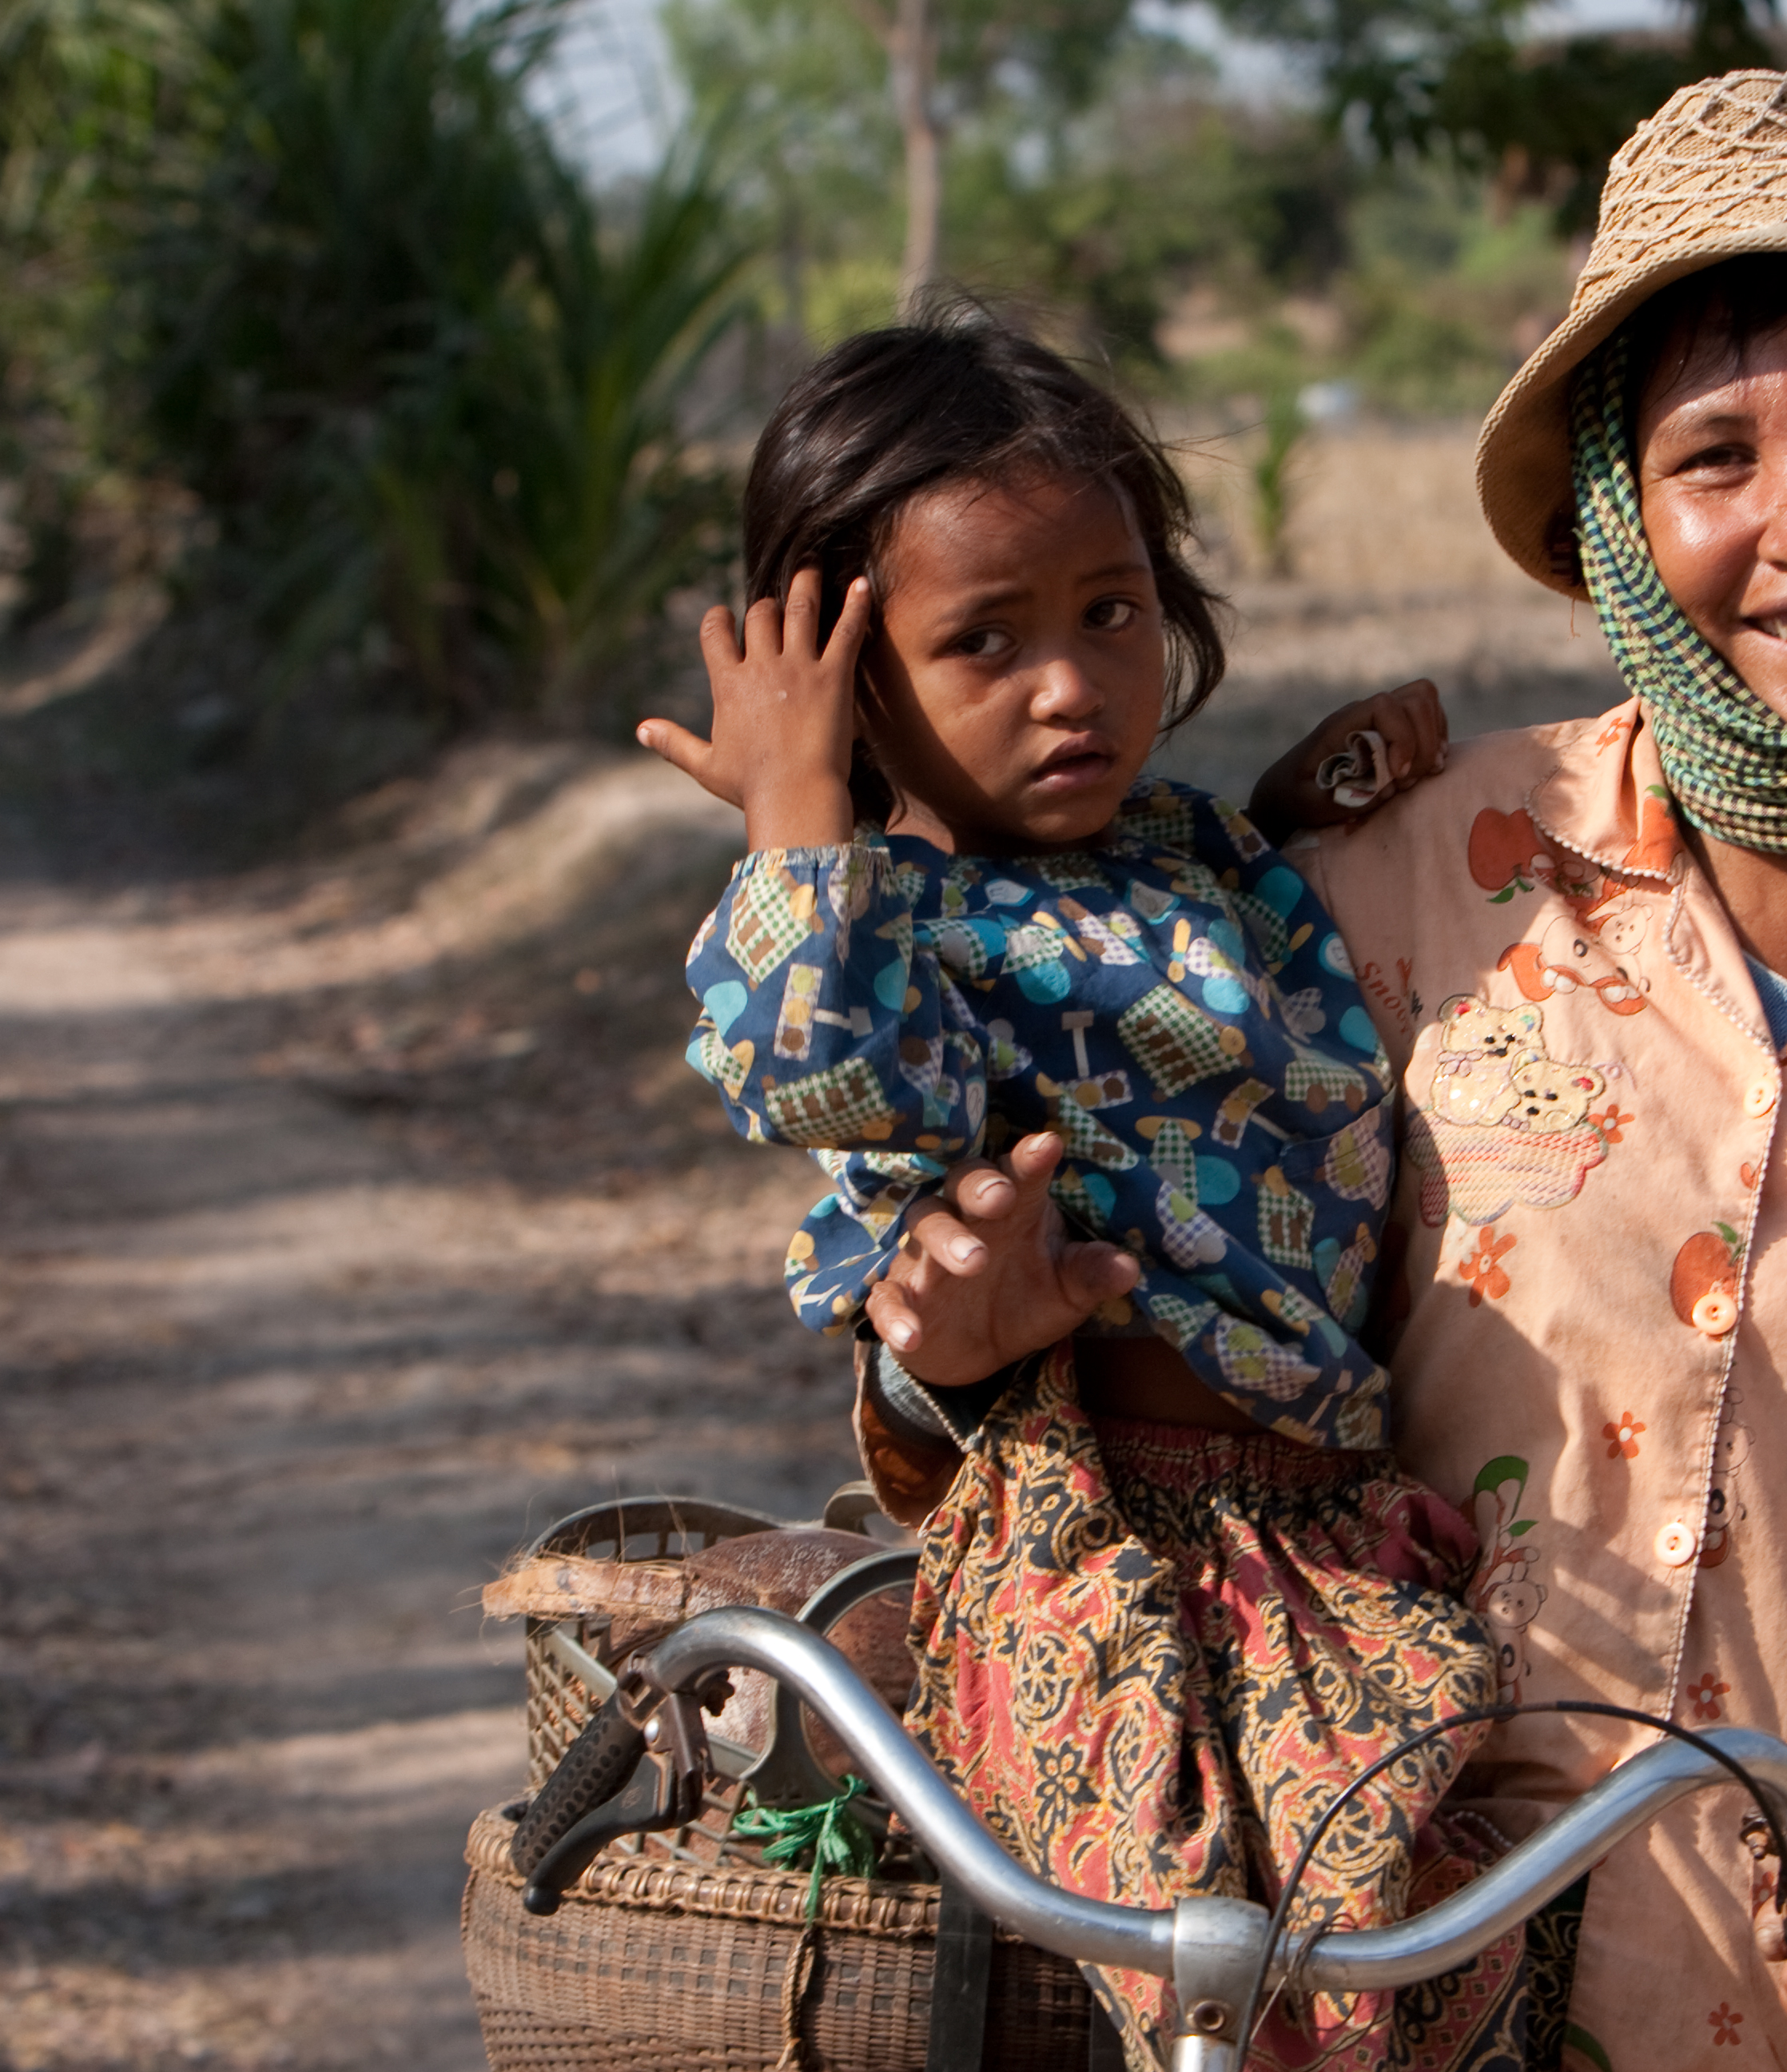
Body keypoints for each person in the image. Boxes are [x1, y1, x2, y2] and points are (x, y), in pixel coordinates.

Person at [854, 70, 1787, 2072]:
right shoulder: (1389, 890)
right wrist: (936, 1359)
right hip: (1359, 1998)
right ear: (1620, 519)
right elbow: (1127, 1373)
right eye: (1710, 458)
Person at [645, 312, 1555, 2070]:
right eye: (982, 640)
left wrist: (1324, 800)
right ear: (851, 678)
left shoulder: (1194, 848)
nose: (1070, 684)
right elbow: (802, 1071)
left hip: (1332, 1526)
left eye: (1109, 612)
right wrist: (793, 821)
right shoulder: (881, 920)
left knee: (1445, 1968)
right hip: (1109, 1551)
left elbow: (1241, 1016)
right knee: (1249, 1993)